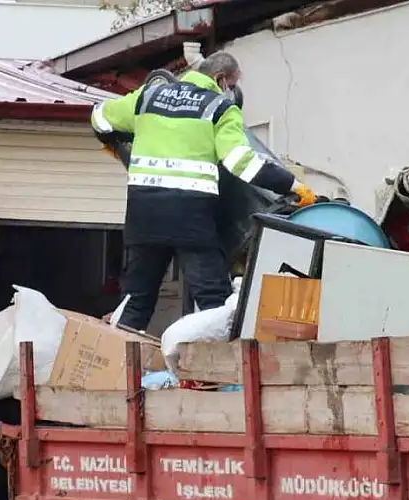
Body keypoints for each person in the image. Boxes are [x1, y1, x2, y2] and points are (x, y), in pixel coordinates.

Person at [91, 51, 316, 332]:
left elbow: (100, 117)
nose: (232, 92)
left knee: (136, 301)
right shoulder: (219, 108)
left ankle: (113, 367)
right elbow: (239, 162)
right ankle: (221, 372)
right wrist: (293, 186)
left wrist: (117, 143)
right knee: (213, 302)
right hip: (190, 219)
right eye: (232, 85)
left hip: (143, 216)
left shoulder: (148, 96)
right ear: (221, 80)